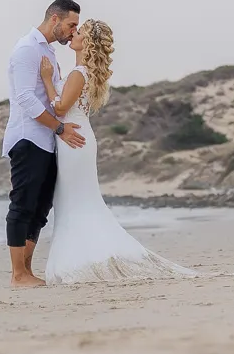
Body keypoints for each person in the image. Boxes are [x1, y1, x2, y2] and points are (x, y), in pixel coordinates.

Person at [39, 19, 195, 283]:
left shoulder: (79, 73)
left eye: (79, 32)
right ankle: (85, 252)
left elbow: (61, 108)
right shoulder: (85, 72)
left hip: (73, 141)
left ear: (86, 43)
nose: (73, 34)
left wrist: (46, 80)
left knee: (75, 201)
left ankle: (80, 258)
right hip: (79, 138)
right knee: (79, 201)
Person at [3, 0, 85, 287]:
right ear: (54, 19)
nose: (73, 30)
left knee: (40, 207)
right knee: (23, 204)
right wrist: (59, 127)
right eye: (71, 25)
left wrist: (56, 131)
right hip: (28, 137)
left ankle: (26, 270)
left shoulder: (47, 50)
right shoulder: (27, 48)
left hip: (47, 140)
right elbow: (25, 98)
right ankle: (17, 275)